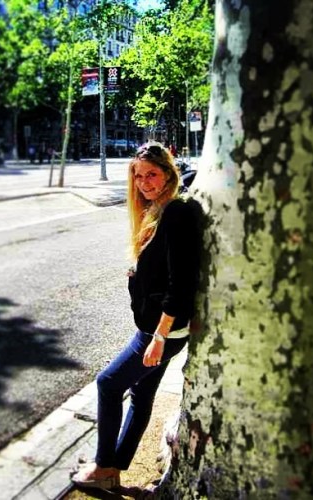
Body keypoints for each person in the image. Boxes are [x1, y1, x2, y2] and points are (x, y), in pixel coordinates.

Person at [71, 141, 200, 490]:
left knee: (108, 384)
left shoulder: (175, 212)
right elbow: (164, 267)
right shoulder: (160, 210)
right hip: (160, 329)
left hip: (161, 331)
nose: (144, 183)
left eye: (152, 174)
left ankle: (103, 467)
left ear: (169, 173)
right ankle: (112, 470)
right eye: (138, 176)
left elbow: (182, 283)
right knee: (141, 398)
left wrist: (159, 336)